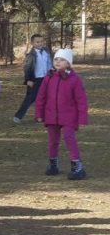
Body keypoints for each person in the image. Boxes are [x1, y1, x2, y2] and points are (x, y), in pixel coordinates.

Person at [35, 48, 88, 180]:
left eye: (62, 60)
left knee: (69, 139)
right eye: (56, 59)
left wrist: (82, 117)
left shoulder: (74, 80)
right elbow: (41, 96)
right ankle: (53, 164)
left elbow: (81, 100)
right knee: (52, 141)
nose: (58, 62)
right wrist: (39, 113)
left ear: (68, 63)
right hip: (51, 115)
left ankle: (77, 165)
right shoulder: (49, 77)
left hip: (69, 116)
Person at [13, 33, 52, 123]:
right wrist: (28, 80)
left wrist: (51, 72)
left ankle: (42, 116)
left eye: (41, 41)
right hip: (35, 80)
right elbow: (27, 68)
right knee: (30, 98)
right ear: (33, 43)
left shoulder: (46, 51)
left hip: (46, 78)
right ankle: (18, 116)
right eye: (37, 42)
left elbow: (49, 63)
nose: (40, 43)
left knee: (46, 97)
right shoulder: (31, 55)